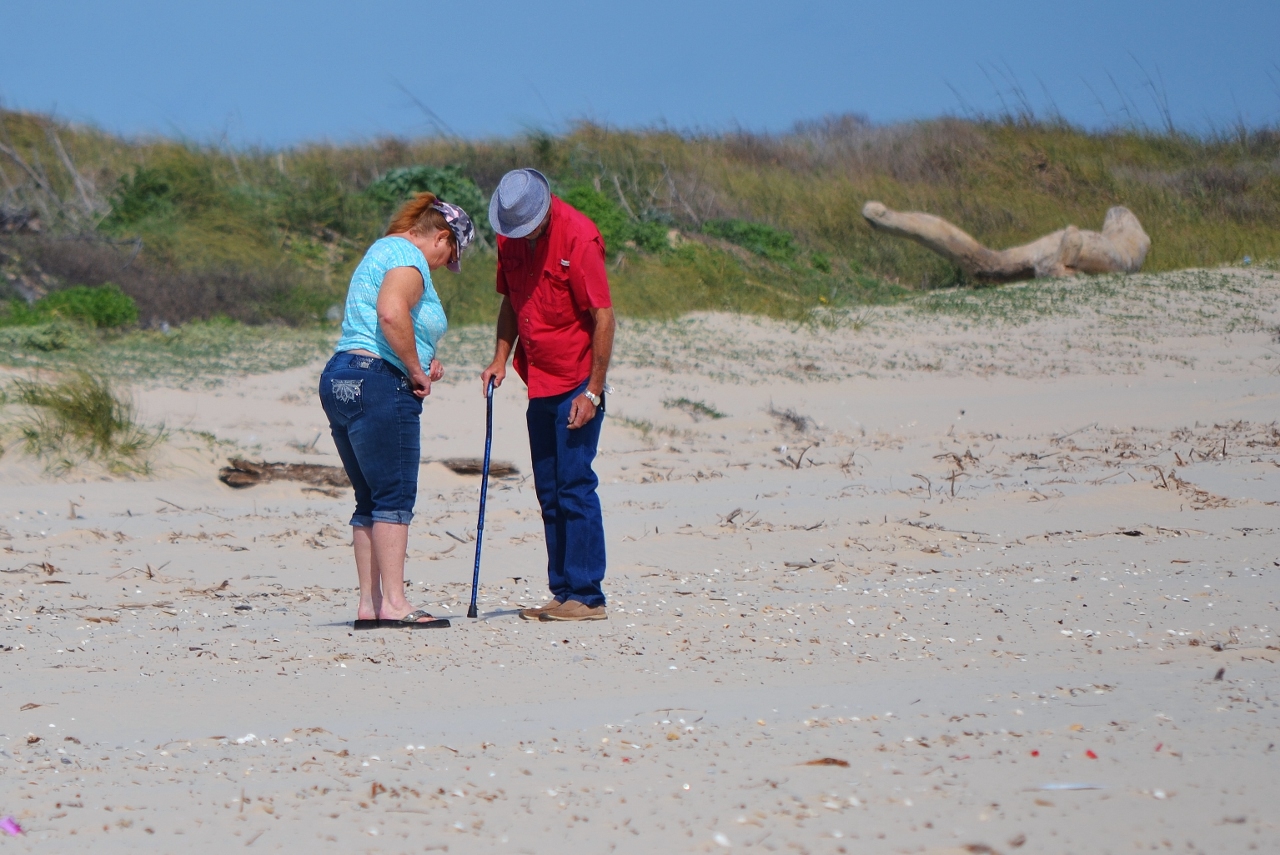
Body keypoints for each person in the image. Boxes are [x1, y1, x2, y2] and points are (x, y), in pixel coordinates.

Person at [319, 191, 475, 629]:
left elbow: (386, 322)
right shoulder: (409, 258)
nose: (444, 265)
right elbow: (390, 314)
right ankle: (395, 603)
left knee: (369, 498)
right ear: (441, 238)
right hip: (379, 381)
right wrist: (414, 370)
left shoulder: (382, 250)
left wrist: (422, 357)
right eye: (450, 256)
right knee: (394, 496)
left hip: (341, 377)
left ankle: (370, 605)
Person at [481, 168, 616, 622]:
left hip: (578, 380)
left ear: (544, 209)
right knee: (550, 490)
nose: (520, 234)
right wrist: (500, 358)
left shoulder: (579, 237)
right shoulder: (509, 238)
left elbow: (603, 316)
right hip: (537, 379)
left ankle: (588, 596)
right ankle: (563, 591)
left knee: (575, 485)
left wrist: (593, 392)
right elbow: (511, 302)